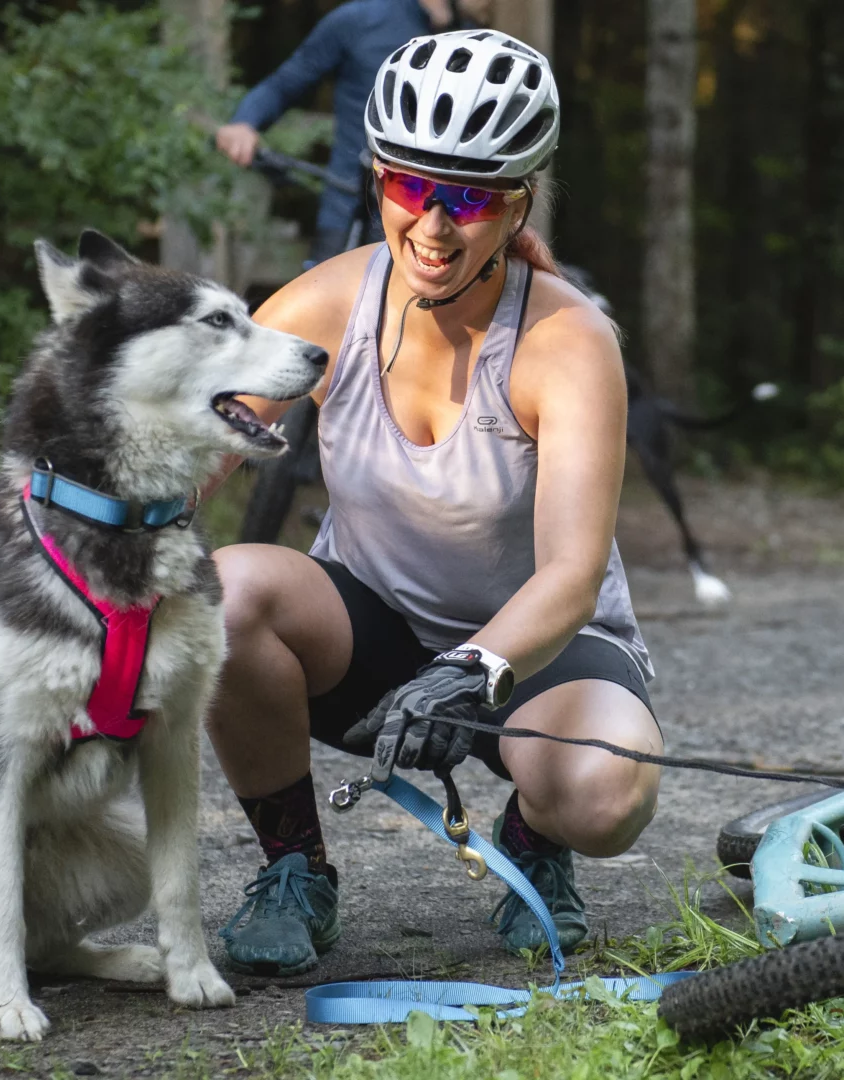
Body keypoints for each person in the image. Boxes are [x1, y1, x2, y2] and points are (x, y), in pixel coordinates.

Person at [206, 28, 663, 977]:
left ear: (519, 202)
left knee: (608, 794)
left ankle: (538, 837)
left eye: (470, 197)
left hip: (537, 653)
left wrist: (474, 667)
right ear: (376, 177)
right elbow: (179, 460)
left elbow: (573, 575)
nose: (434, 225)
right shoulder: (327, 304)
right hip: (367, 636)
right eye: (411, 187)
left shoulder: (568, 341)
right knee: (226, 588)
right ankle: (295, 869)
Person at [216, 0, 490, 264]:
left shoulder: (476, 41)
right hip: (347, 208)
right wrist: (244, 123)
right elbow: (286, 82)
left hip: (437, 218)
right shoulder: (359, 20)